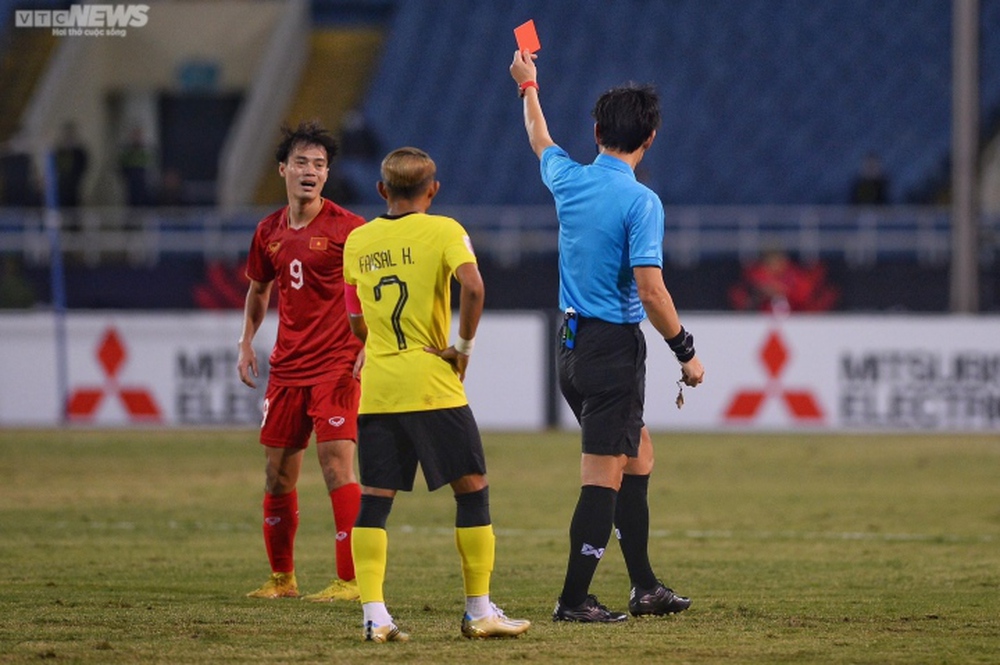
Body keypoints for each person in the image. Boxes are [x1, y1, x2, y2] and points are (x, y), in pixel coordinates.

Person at [510, 50, 706, 623]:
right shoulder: (641, 201)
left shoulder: (569, 178)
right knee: (603, 476)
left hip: (570, 348)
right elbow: (651, 292)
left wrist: (529, 85)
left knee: (638, 455)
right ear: (651, 137)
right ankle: (573, 601)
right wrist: (686, 352)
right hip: (612, 349)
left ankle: (645, 587)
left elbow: (538, 137)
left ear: (596, 132)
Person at [342, 147, 530, 642]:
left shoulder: (357, 241)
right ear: (433, 190)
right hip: (432, 384)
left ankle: (375, 615)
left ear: (382, 190)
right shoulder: (445, 229)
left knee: (374, 501)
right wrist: (461, 348)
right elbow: (473, 286)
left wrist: (380, 348)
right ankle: (478, 611)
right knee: (473, 490)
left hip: (379, 389)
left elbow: (355, 318)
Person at [237, 121, 365, 603]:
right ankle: (282, 579)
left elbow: (374, 289)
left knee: (336, 467)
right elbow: (258, 288)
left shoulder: (350, 230)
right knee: (277, 474)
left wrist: (369, 345)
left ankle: (350, 582)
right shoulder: (267, 230)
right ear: (283, 170)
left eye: (318, 165)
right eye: (301, 163)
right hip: (287, 369)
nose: (309, 172)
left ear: (327, 175)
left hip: (336, 364)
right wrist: (247, 341)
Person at [728, 248, 839, 313]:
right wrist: (761, 292)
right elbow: (741, 300)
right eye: (770, 262)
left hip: (795, 321)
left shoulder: (795, 276)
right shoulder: (756, 277)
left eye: (777, 261)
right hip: (762, 323)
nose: (775, 265)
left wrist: (785, 291)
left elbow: (806, 297)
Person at [54, 121, 89, 208]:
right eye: (66, 134)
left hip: (75, 188)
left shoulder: (79, 153)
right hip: (61, 190)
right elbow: (57, 169)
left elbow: (83, 167)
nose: (68, 137)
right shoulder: (60, 151)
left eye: (70, 134)